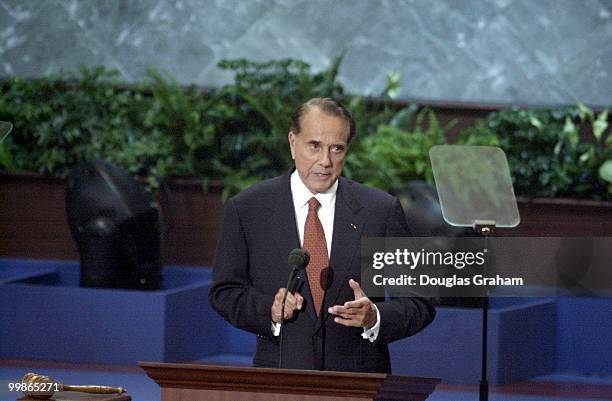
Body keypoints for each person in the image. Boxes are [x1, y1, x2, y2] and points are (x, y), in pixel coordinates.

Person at [209, 98, 435, 373]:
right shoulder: (248, 209)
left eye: (336, 149)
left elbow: (419, 301)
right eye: (314, 146)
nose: (325, 161)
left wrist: (374, 316)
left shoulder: (380, 211)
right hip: (279, 378)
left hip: (358, 381)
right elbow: (225, 292)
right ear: (293, 143)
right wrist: (269, 308)